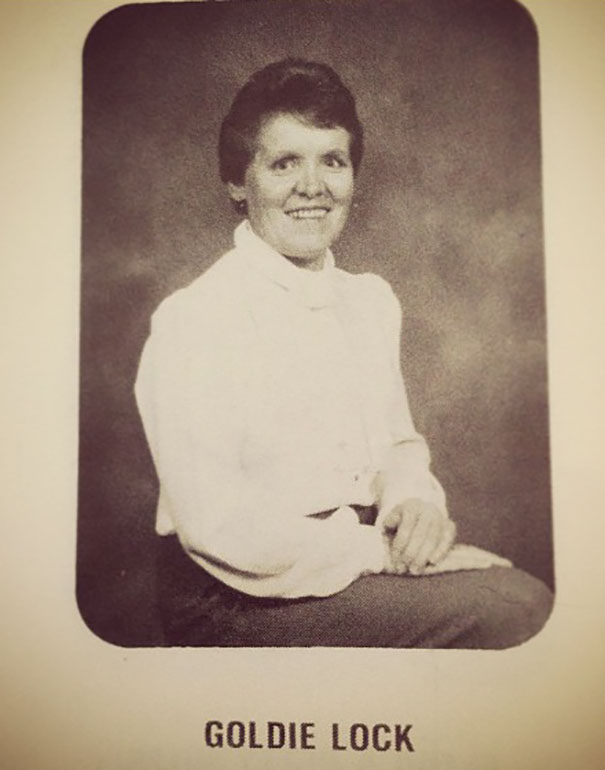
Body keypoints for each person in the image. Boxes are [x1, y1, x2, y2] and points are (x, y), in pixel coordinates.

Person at [135, 58, 553, 647]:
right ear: (237, 181)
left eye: (332, 160)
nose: (313, 187)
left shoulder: (369, 301)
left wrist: (414, 504)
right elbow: (218, 527)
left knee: (517, 596)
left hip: (344, 566)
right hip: (232, 596)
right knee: (512, 611)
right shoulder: (194, 319)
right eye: (284, 163)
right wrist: (376, 550)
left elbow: (396, 447)